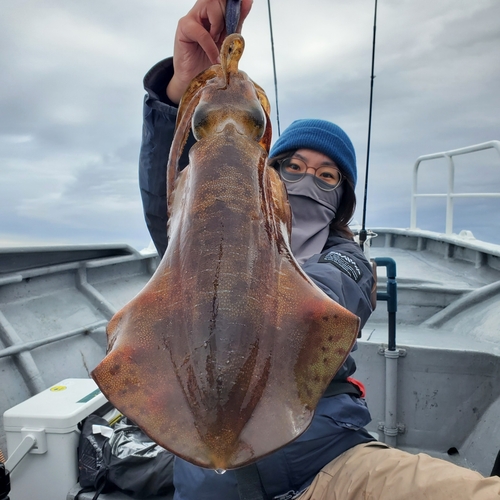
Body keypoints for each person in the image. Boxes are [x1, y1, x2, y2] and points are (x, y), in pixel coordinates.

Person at [138, 1, 500, 498]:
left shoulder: (352, 263)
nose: (309, 180)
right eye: (295, 167)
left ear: (341, 199)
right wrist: (183, 93)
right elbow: (171, 207)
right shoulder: (203, 239)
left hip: (327, 462)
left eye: (327, 176)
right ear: (270, 171)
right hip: (207, 472)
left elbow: (316, 308)